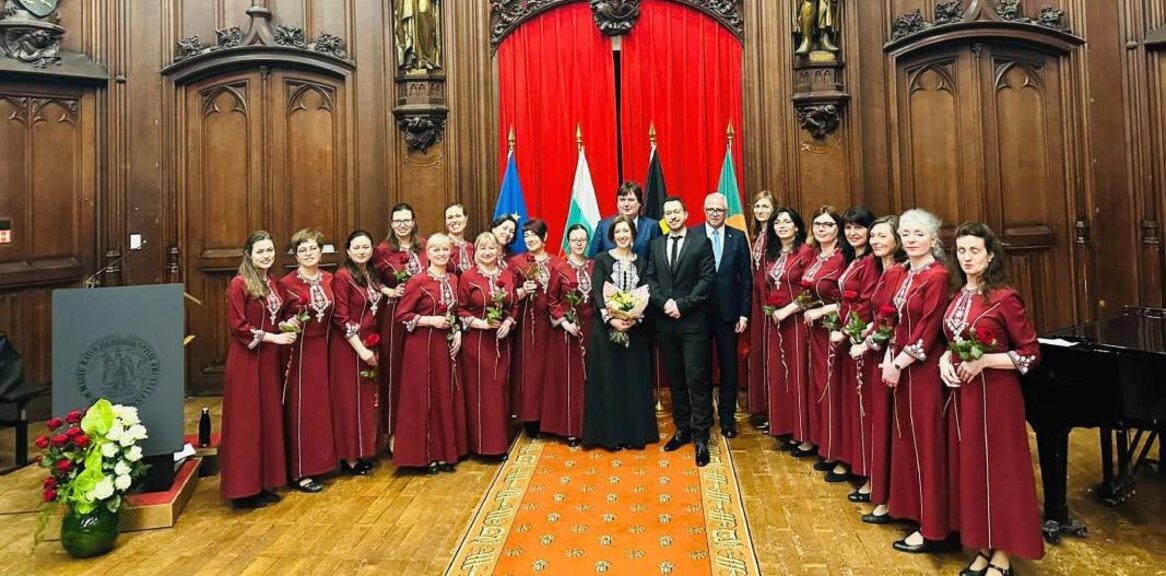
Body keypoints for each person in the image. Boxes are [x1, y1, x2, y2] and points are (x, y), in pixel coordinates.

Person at [940, 222, 1043, 576]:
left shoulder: (1004, 297)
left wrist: (985, 361)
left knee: (1000, 471)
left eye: (975, 251)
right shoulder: (958, 295)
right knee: (972, 470)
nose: (967, 257)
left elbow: (1031, 353)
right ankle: (982, 547)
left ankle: (1002, 555)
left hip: (997, 398)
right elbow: (952, 341)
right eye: (961, 251)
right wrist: (944, 360)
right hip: (964, 396)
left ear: (990, 256)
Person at [883, 208, 953, 553]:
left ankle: (934, 529)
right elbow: (896, 321)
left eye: (919, 234)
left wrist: (898, 362)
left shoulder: (938, 276)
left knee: (928, 444)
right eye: (906, 234)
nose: (911, 240)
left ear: (933, 239)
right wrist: (889, 356)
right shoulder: (906, 273)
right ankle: (915, 513)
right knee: (908, 440)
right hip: (903, 364)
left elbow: (928, 329)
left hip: (923, 370)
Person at [220, 231, 294, 509]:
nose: (266, 255)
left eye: (270, 250)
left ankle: (263, 482)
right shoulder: (239, 284)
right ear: (249, 254)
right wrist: (274, 337)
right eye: (260, 251)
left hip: (269, 362)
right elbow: (238, 326)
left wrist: (291, 321)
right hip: (247, 361)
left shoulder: (272, 282)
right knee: (247, 424)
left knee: (267, 419)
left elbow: (286, 309)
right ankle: (243, 489)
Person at [646, 196, 717, 466]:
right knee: (675, 379)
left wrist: (682, 305)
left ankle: (701, 438)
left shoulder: (700, 242)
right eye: (668, 213)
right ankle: (682, 429)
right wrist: (664, 303)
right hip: (665, 322)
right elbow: (650, 279)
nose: (673, 216)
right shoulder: (656, 244)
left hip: (693, 322)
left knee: (696, 380)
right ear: (664, 218)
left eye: (677, 211)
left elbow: (707, 279)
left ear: (686, 214)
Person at [583, 215, 659, 450]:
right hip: (606, 329)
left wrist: (634, 317)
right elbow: (597, 291)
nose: (622, 235)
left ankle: (636, 434)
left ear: (633, 235)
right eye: (618, 232)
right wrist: (612, 319)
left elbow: (645, 291)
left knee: (633, 380)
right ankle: (610, 436)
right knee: (610, 380)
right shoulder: (602, 259)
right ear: (612, 236)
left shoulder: (642, 262)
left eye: (626, 231)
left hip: (635, 330)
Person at [848, 215, 906, 522]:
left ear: (897, 239)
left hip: (890, 356)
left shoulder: (897, 272)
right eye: (874, 236)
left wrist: (868, 343)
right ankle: (877, 486)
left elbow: (891, 320)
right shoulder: (881, 269)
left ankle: (885, 495)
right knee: (876, 424)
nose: (875, 241)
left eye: (882, 236)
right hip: (876, 352)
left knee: (885, 426)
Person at [393, 233, 467, 473]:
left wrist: (457, 331)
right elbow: (402, 315)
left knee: (443, 396)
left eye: (445, 249)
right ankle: (423, 456)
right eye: (435, 249)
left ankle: (444, 452)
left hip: (445, 345)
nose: (441, 253)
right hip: (421, 346)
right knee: (423, 397)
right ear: (428, 253)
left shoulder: (454, 279)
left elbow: (457, 312)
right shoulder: (418, 281)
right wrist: (429, 320)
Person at [687, 192, 752, 438]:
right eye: (711, 209)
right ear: (704, 210)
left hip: (729, 314)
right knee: (699, 368)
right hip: (698, 314)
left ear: (726, 212)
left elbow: (746, 279)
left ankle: (727, 418)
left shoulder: (738, 237)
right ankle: (702, 418)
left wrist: (744, 314)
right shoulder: (692, 235)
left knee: (729, 368)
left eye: (720, 210)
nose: (715, 213)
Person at [279, 228, 337, 493]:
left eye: (313, 248)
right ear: (296, 255)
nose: (308, 253)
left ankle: (324, 463)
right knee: (303, 409)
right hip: (300, 353)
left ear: (321, 251)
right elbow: (277, 318)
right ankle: (301, 470)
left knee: (324, 409)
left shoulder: (330, 279)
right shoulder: (286, 284)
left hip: (327, 350)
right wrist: (288, 323)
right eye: (302, 250)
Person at [457, 232, 519, 459]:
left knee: (500, 391)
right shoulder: (468, 277)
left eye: (491, 248)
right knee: (481, 393)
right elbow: (460, 309)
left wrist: (509, 322)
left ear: (498, 250)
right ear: (476, 252)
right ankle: (481, 445)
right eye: (482, 248)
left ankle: (499, 443)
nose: (487, 252)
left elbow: (514, 306)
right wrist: (482, 324)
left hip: (502, 342)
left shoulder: (508, 275)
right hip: (477, 343)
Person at [370, 203, 425, 454]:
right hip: (393, 317)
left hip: (423, 316)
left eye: (406, 220)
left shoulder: (424, 247)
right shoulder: (381, 251)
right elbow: (370, 278)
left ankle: (421, 429)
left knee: (419, 372)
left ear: (413, 222)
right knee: (394, 371)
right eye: (397, 221)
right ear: (391, 224)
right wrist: (388, 290)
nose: (402, 225)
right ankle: (393, 432)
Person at [330, 230, 384, 476]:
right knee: (349, 400)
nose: (362, 251)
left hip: (370, 342)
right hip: (349, 346)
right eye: (357, 247)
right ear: (348, 251)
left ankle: (364, 450)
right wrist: (361, 350)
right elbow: (340, 317)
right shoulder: (343, 277)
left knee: (366, 400)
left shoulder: (371, 273)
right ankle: (349, 457)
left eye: (366, 247)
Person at [800, 206, 848, 474]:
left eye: (828, 224)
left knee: (832, 390)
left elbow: (850, 298)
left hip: (834, 330)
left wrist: (823, 311)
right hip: (814, 332)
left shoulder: (842, 258)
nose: (822, 229)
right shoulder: (815, 256)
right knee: (817, 387)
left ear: (838, 229)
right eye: (817, 224)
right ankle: (823, 444)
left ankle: (836, 452)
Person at [763, 207, 814, 451]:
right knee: (780, 375)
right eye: (777, 222)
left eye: (787, 221)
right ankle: (787, 427)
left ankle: (804, 434)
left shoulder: (806, 252)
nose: (782, 226)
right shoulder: (772, 253)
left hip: (798, 322)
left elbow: (812, 291)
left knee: (798, 375)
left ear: (796, 226)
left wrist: (788, 310)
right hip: (777, 322)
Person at [833, 207, 877, 484]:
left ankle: (865, 469)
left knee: (863, 406)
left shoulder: (871, 262)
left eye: (858, 227)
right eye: (848, 228)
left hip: (861, 339)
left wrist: (847, 331)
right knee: (850, 404)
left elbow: (867, 303)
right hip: (848, 337)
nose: (852, 233)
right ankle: (851, 458)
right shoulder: (853, 259)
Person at [509, 219, 561, 437]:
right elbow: (506, 294)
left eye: (534, 234)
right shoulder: (516, 262)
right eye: (526, 235)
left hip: (552, 325)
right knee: (531, 371)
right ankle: (531, 419)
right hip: (528, 325)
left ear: (545, 237)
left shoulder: (556, 262)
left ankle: (552, 417)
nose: (530, 239)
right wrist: (521, 291)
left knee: (551, 370)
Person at [544, 224, 594, 445]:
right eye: (575, 240)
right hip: (567, 331)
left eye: (582, 239)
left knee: (590, 377)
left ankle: (592, 426)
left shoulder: (594, 265)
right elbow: (551, 300)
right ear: (568, 242)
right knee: (571, 379)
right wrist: (564, 322)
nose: (579, 243)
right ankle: (572, 428)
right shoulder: (560, 268)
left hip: (592, 329)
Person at [747, 191, 775, 429]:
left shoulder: (777, 235)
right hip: (756, 299)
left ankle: (775, 411)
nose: (760, 210)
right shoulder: (756, 235)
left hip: (770, 297)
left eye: (765, 206)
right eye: (757, 206)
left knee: (772, 352)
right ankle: (763, 407)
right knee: (759, 350)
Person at [587, 181, 662, 260]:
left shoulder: (652, 226)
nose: (626, 204)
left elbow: (658, 259)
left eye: (631, 200)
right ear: (617, 203)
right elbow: (592, 259)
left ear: (639, 203)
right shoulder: (603, 226)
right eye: (622, 200)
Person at [444, 203, 475, 275]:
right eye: (450, 217)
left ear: (466, 219)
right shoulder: (441, 246)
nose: (454, 220)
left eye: (458, 216)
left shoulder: (472, 247)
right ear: (445, 222)